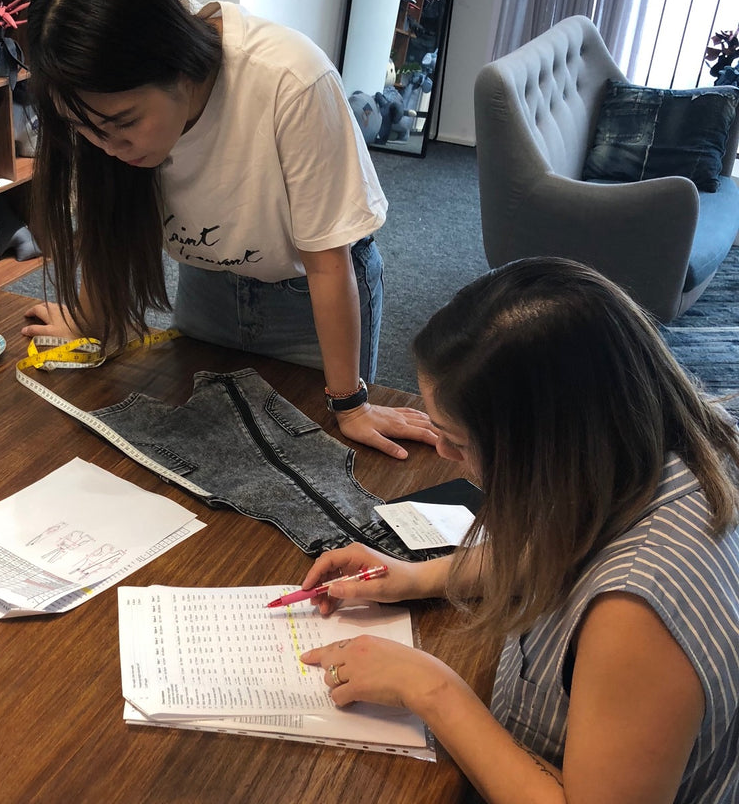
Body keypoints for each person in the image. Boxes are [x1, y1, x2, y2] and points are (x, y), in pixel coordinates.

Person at [300, 257, 739, 803]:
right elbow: (565, 543)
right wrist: (418, 577)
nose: (443, 453)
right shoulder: (657, 442)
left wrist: (430, 688)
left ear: (549, 446)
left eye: (458, 441)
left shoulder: (636, 616)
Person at [20, 0, 437, 459]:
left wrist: (350, 403)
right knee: (203, 456)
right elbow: (112, 222)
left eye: (124, 124)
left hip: (312, 298)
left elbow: (329, 263)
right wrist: (91, 315)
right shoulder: (100, 108)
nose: (107, 147)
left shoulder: (290, 80)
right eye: (85, 130)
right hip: (209, 286)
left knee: (316, 458)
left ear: (178, 67)